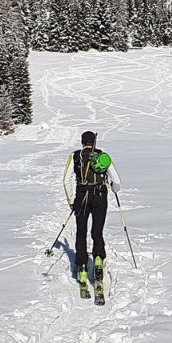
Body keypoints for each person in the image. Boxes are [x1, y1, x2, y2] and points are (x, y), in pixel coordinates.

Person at [65, 130, 117, 305]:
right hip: (100, 197)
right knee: (97, 232)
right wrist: (111, 185)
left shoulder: (75, 157)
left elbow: (66, 181)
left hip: (82, 197)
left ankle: (81, 268)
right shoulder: (103, 157)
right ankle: (98, 261)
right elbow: (116, 181)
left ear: (82, 142)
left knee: (81, 232)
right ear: (94, 141)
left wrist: (71, 201)